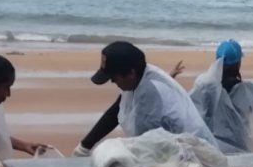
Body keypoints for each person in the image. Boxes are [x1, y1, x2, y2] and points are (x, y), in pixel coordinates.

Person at [73, 41, 217, 154]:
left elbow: (147, 148)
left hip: (196, 157)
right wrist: (85, 145)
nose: (112, 82)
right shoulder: (140, 75)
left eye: (113, 77)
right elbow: (116, 110)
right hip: (174, 149)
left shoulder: (149, 96)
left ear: (130, 73)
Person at [189, 39, 253, 153]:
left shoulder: (204, 86)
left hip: (209, 150)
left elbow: (188, 112)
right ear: (238, 63)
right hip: (239, 151)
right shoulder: (249, 91)